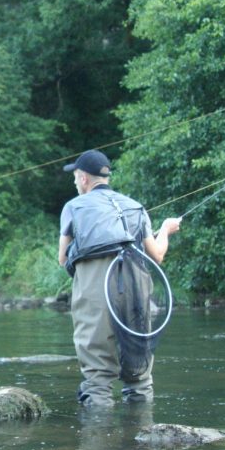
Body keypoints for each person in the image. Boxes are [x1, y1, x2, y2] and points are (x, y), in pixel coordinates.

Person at [58, 149, 181, 407]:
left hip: (95, 285)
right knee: (139, 374)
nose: (74, 182)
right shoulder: (135, 206)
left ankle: (97, 440)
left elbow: (62, 259)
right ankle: (142, 436)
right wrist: (167, 230)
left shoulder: (73, 206)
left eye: (75, 177)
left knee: (98, 373)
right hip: (136, 284)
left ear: (83, 179)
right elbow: (156, 255)